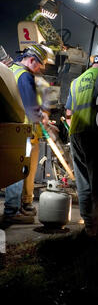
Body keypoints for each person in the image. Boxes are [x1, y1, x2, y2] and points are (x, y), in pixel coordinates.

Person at [65, 49, 98, 246]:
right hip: (96, 134)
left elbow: (69, 111)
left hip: (76, 134)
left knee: (84, 183)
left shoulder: (76, 81)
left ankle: (90, 228)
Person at [3, 44, 50, 223]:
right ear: (31, 60)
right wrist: (43, 117)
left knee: (13, 168)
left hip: (10, 128)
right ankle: (12, 211)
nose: (39, 70)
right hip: (23, 130)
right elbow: (31, 109)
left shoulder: (11, 69)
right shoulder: (25, 76)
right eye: (39, 65)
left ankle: (19, 206)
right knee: (18, 169)